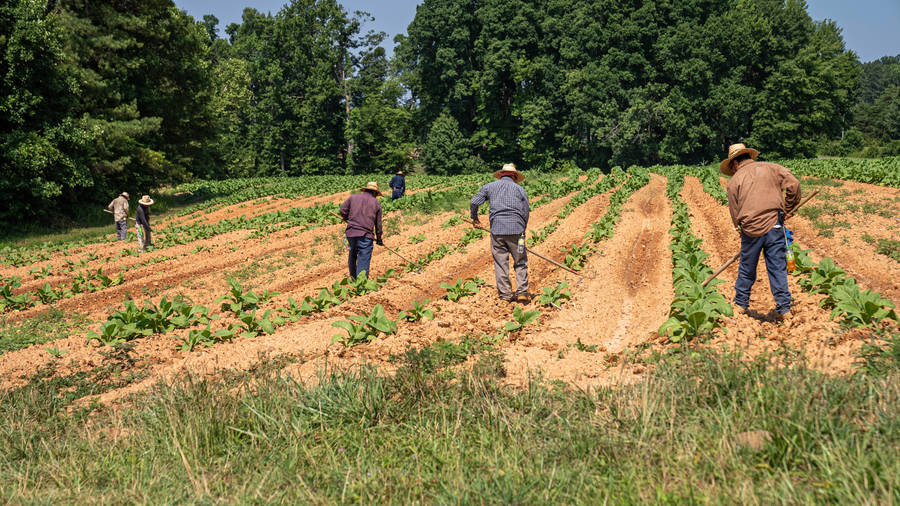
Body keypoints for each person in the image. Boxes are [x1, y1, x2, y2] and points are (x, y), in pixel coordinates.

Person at [722, 143, 801, 320]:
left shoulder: (734, 181)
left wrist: (740, 229)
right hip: (774, 225)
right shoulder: (772, 168)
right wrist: (787, 209)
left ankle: (741, 304)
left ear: (734, 163)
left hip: (751, 229)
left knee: (747, 268)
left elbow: (735, 213)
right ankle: (784, 309)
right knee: (777, 268)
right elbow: (794, 185)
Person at [470, 163, 531, 302]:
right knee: (521, 261)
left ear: (501, 175)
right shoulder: (520, 189)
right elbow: (525, 210)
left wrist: (475, 218)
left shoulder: (489, 187)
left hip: (497, 232)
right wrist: (522, 229)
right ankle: (522, 291)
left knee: (501, 262)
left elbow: (474, 202)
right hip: (518, 233)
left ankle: (505, 295)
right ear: (515, 176)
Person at [339, 182, 384, 279]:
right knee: (363, 258)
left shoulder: (353, 197)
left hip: (351, 233)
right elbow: (378, 225)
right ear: (375, 193)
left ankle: (353, 278)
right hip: (365, 235)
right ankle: (361, 284)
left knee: (352, 254)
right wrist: (379, 238)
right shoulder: (376, 204)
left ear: (365, 190)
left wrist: (347, 218)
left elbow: (342, 210)